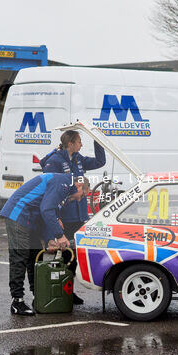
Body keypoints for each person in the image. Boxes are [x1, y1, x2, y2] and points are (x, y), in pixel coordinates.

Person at [0, 173, 90, 315]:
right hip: (18, 214)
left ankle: (39, 298)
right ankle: (17, 301)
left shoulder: (65, 190)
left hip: (31, 218)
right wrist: (60, 236)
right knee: (20, 257)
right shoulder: (63, 183)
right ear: (79, 185)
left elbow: (50, 212)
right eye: (82, 195)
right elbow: (46, 210)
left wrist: (49, 239)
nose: (79, 199)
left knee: (35, 257)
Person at [39, 130, 105, 305]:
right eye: (79, 142)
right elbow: (49, 192)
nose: (81, 145)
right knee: (56, 256)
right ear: (70, 143)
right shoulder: (54, 161)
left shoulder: (78, 158)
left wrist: (98, 141)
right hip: (63, 216)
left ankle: (68, 290)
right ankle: (52, 290)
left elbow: (100, 161)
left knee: (73, 256)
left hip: (79, 214)